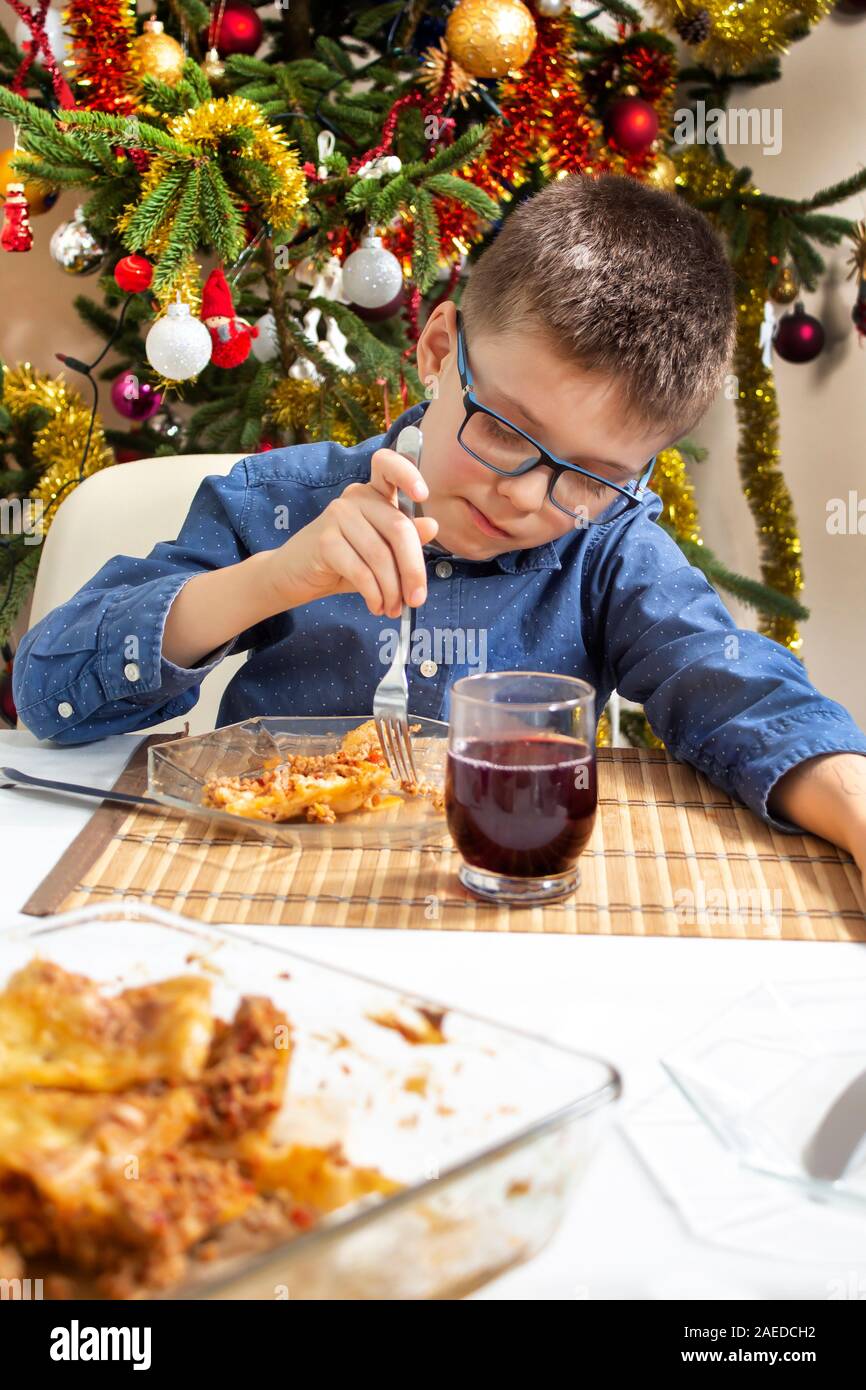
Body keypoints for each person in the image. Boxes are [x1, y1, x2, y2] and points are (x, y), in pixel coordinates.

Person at [13, 172, 866, 889]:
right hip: (260, 899)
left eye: (593, 477)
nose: (527, 495)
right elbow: (50, 692)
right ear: (433, 350)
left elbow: (742, 695)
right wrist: (272, 580)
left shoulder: (612, 550)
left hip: (494, 925)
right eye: (503, 428)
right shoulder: (279, 500)